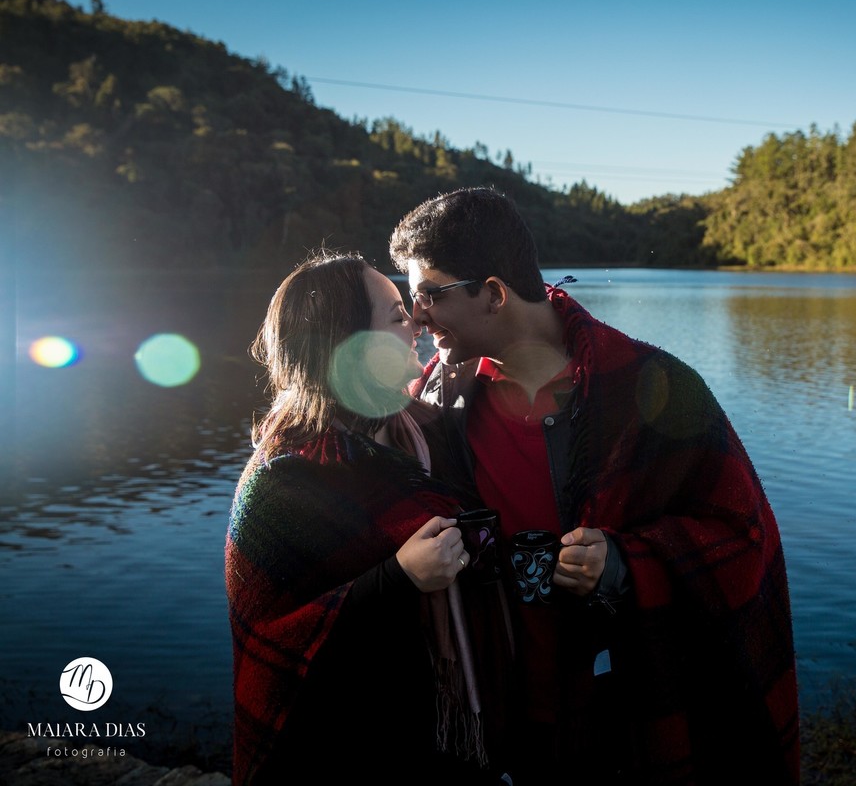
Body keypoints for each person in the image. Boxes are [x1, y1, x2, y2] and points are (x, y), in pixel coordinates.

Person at [390, 187, 801, 785]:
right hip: (497, 711)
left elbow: (744, 539)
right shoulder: (433, 400)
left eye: (430, 293)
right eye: (409, 297)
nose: (417, 316)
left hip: (625, 707)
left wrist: (625, 563)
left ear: (495, 294)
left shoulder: (651, 384)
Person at [226, 251, 497, 785]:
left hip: (425, 726)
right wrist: (398, 577)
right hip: (336, 746)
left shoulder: (421, 428)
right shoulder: (286, 478)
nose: (418, 322)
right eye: (397, 315)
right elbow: (278, 634)